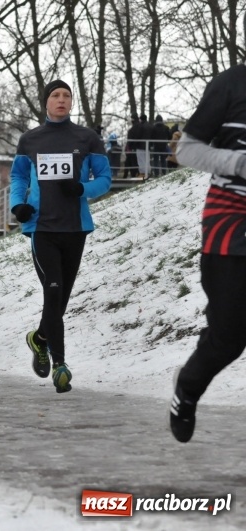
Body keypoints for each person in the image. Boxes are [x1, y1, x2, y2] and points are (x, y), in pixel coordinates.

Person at [9, 79, 111, 393]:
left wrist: (82, 188)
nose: (62, 99)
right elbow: (18, 176)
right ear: (46, 102)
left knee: (61, 300)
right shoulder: (30, 140)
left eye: (67, 95)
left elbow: (105, 179)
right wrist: (18, 205)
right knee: (52, 293)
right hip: (42, 227)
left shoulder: (86, 137)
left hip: (75, 227)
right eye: (56, 95)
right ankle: (60, 364)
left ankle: (39, 339)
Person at [170, 22, 246, 442]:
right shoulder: (231, 85)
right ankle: (188, 387)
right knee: (230, 335)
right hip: (231, 220)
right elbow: (186, 149)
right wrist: (238, 164)